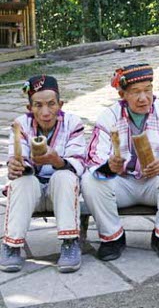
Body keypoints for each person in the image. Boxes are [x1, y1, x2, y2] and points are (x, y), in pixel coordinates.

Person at [81, 64, 159, 261]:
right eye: (135, 92)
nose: (143, 98)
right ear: (122, 94)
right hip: (122, 183)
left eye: (147, 90)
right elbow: (93, 155)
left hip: (154, 184)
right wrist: (109, 165)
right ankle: (113, 237)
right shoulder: (110, 115)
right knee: (90, 180)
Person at [0, 75, 86, 273]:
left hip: (62, 194)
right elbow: (17, 156)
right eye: (38, 105)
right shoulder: (20, 125)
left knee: (65, 176)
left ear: (60, 104)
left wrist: (56, 161)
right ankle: (12, 245)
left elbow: (78, 163)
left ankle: (69, 242)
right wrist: (17, 165)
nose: (46, 112)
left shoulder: (73, 123)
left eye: (51, 104)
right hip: (33, 194)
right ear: (29, 108)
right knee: (22, 182)